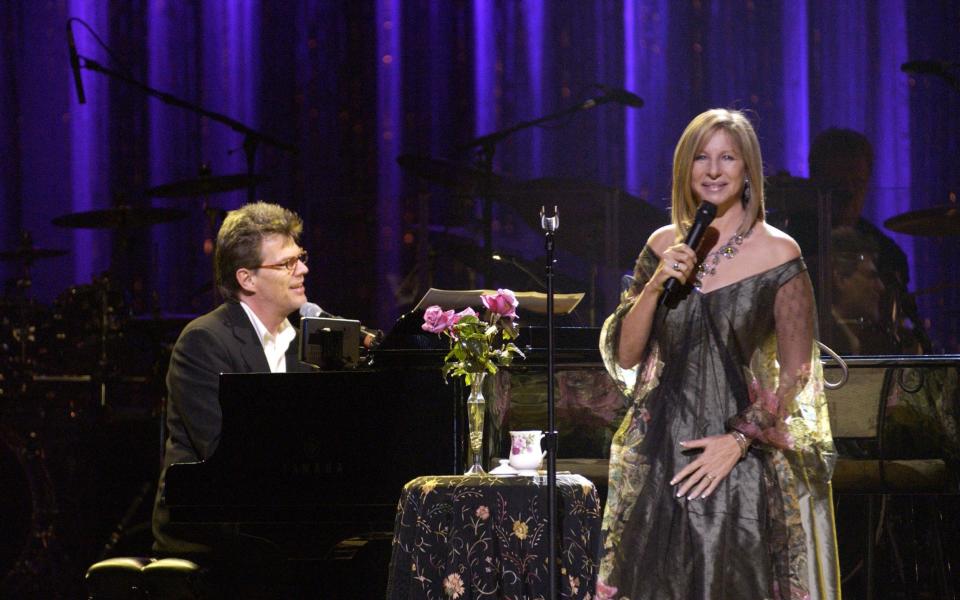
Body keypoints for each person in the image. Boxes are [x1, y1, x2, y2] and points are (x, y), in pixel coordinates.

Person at [596, 109, 839, 599]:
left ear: (747, 169)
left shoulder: (780, 254)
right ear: (685, 170)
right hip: (663, 449)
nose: (713, 170)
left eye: (727, 157)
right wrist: (656, 285)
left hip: (739, 458)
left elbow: (795, 374)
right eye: (701, 158)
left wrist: (739, 439)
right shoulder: (663, 245)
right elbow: (625, 355)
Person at [152, 201, 315, 555]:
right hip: (211, 531)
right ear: (247, 278)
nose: (301, 269)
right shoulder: (205, 341)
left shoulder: (308, 340)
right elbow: (225, 453)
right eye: (287, 263)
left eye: (300, 257)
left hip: (282, 518)